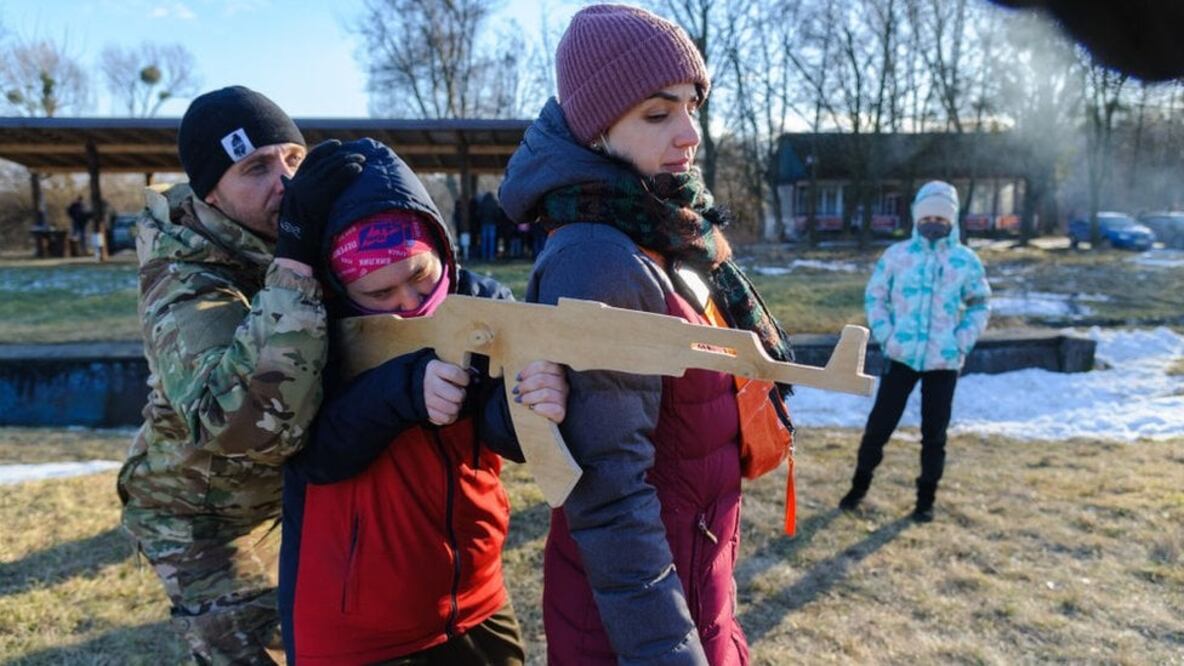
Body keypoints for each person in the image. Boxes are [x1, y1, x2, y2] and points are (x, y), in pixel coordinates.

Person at [499, 5, 795, 664]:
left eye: (693, 106)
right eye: (658, 114)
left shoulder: (667, 233)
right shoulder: (599, 259)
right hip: (635, 633)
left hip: (695, 596)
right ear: (598, 129)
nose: (690, 134)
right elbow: (609, 501)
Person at [279, 138, 567, 665]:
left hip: (476, 596)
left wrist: (533, 402)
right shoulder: (305, 330)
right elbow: (310, 454)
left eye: (419, 276)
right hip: (354, 631)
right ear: (342, 289)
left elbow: (500, 434)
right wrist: (403, 390)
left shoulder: (485, 304)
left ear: (439, 246)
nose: (408, 306)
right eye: (379, 295)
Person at [116, 85, 365, 664]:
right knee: (259, 651)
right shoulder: (181, 279)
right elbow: (236, 426)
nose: (285, 182)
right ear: (212, 194)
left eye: (293, 159)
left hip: (288, 494)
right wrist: (298, 262)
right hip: (201, 518)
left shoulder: (281, 234)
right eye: (255, 167)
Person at [838, 180, 991, 522]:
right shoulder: (897, 256)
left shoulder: (965, 261)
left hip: (943, 361)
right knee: (879, 426)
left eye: (941, 218)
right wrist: (888, 336)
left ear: (951, 221)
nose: (933, 223)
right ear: (916, 218)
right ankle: (858, 487)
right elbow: (876, 297)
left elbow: (980, 304)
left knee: (934, 434)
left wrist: (960, 341)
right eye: (927, 217)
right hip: (900, 356)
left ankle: (926, 501)